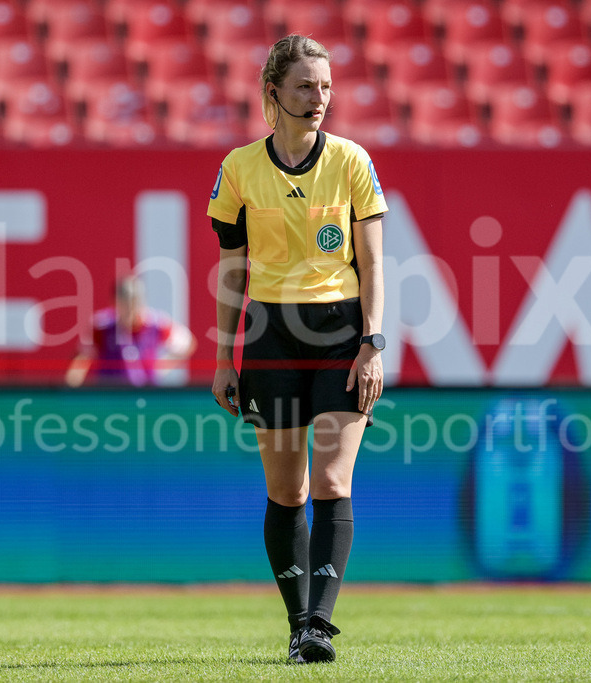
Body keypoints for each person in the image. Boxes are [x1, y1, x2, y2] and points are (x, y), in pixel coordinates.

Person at [208, 35, 387, 664]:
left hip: (341, 334)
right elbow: (233, 266)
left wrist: (373, 342)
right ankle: (296, 623)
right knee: (288, 490)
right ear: (274, 93)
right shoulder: (238, 169)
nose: (320, 98)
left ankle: (318, 623)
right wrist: (225, 357)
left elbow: (371, 261)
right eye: (307, 86)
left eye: (327, 86)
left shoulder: (352, 161)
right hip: (269, 335)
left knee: (334, 480)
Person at [65, 274, 196, 387]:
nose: (130, 309)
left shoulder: (155, 324)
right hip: (109, 395)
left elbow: (186, 344)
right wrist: (71, 390)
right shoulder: (102, 326)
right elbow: (81, 359)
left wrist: (159, 368)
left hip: (146, 395)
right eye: (125, 303)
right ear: (115, 302)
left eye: (134, 303)